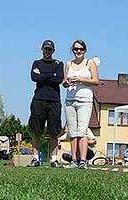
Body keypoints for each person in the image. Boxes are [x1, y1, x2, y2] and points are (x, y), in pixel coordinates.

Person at [27, 39, 64, 167]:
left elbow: (59, 79)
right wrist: (51, 75)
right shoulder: (36, 63)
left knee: (54, 131)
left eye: (50, 49)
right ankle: (35, 158)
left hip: (54, 100)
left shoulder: (59, 64)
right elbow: (34, 78)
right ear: (41, 49)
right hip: (39, 100)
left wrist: (43, 75)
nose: (47, 51)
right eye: (45, 49)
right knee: (37, 131)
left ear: (53, 50)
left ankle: (54, 159)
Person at [63, 40, 99, 169]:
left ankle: (83, 160)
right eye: (76, 49)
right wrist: (66, 83)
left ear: (85, 50)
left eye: (81, 49)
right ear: (72, 50)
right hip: (70, 101)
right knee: (72, 132)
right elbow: (64, 81)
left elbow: (95, 81)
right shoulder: (68, 64)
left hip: (85, 100)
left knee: (82, 131)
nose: (78, 51)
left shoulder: (90, 63)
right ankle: (73, 160)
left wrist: (80, 80)